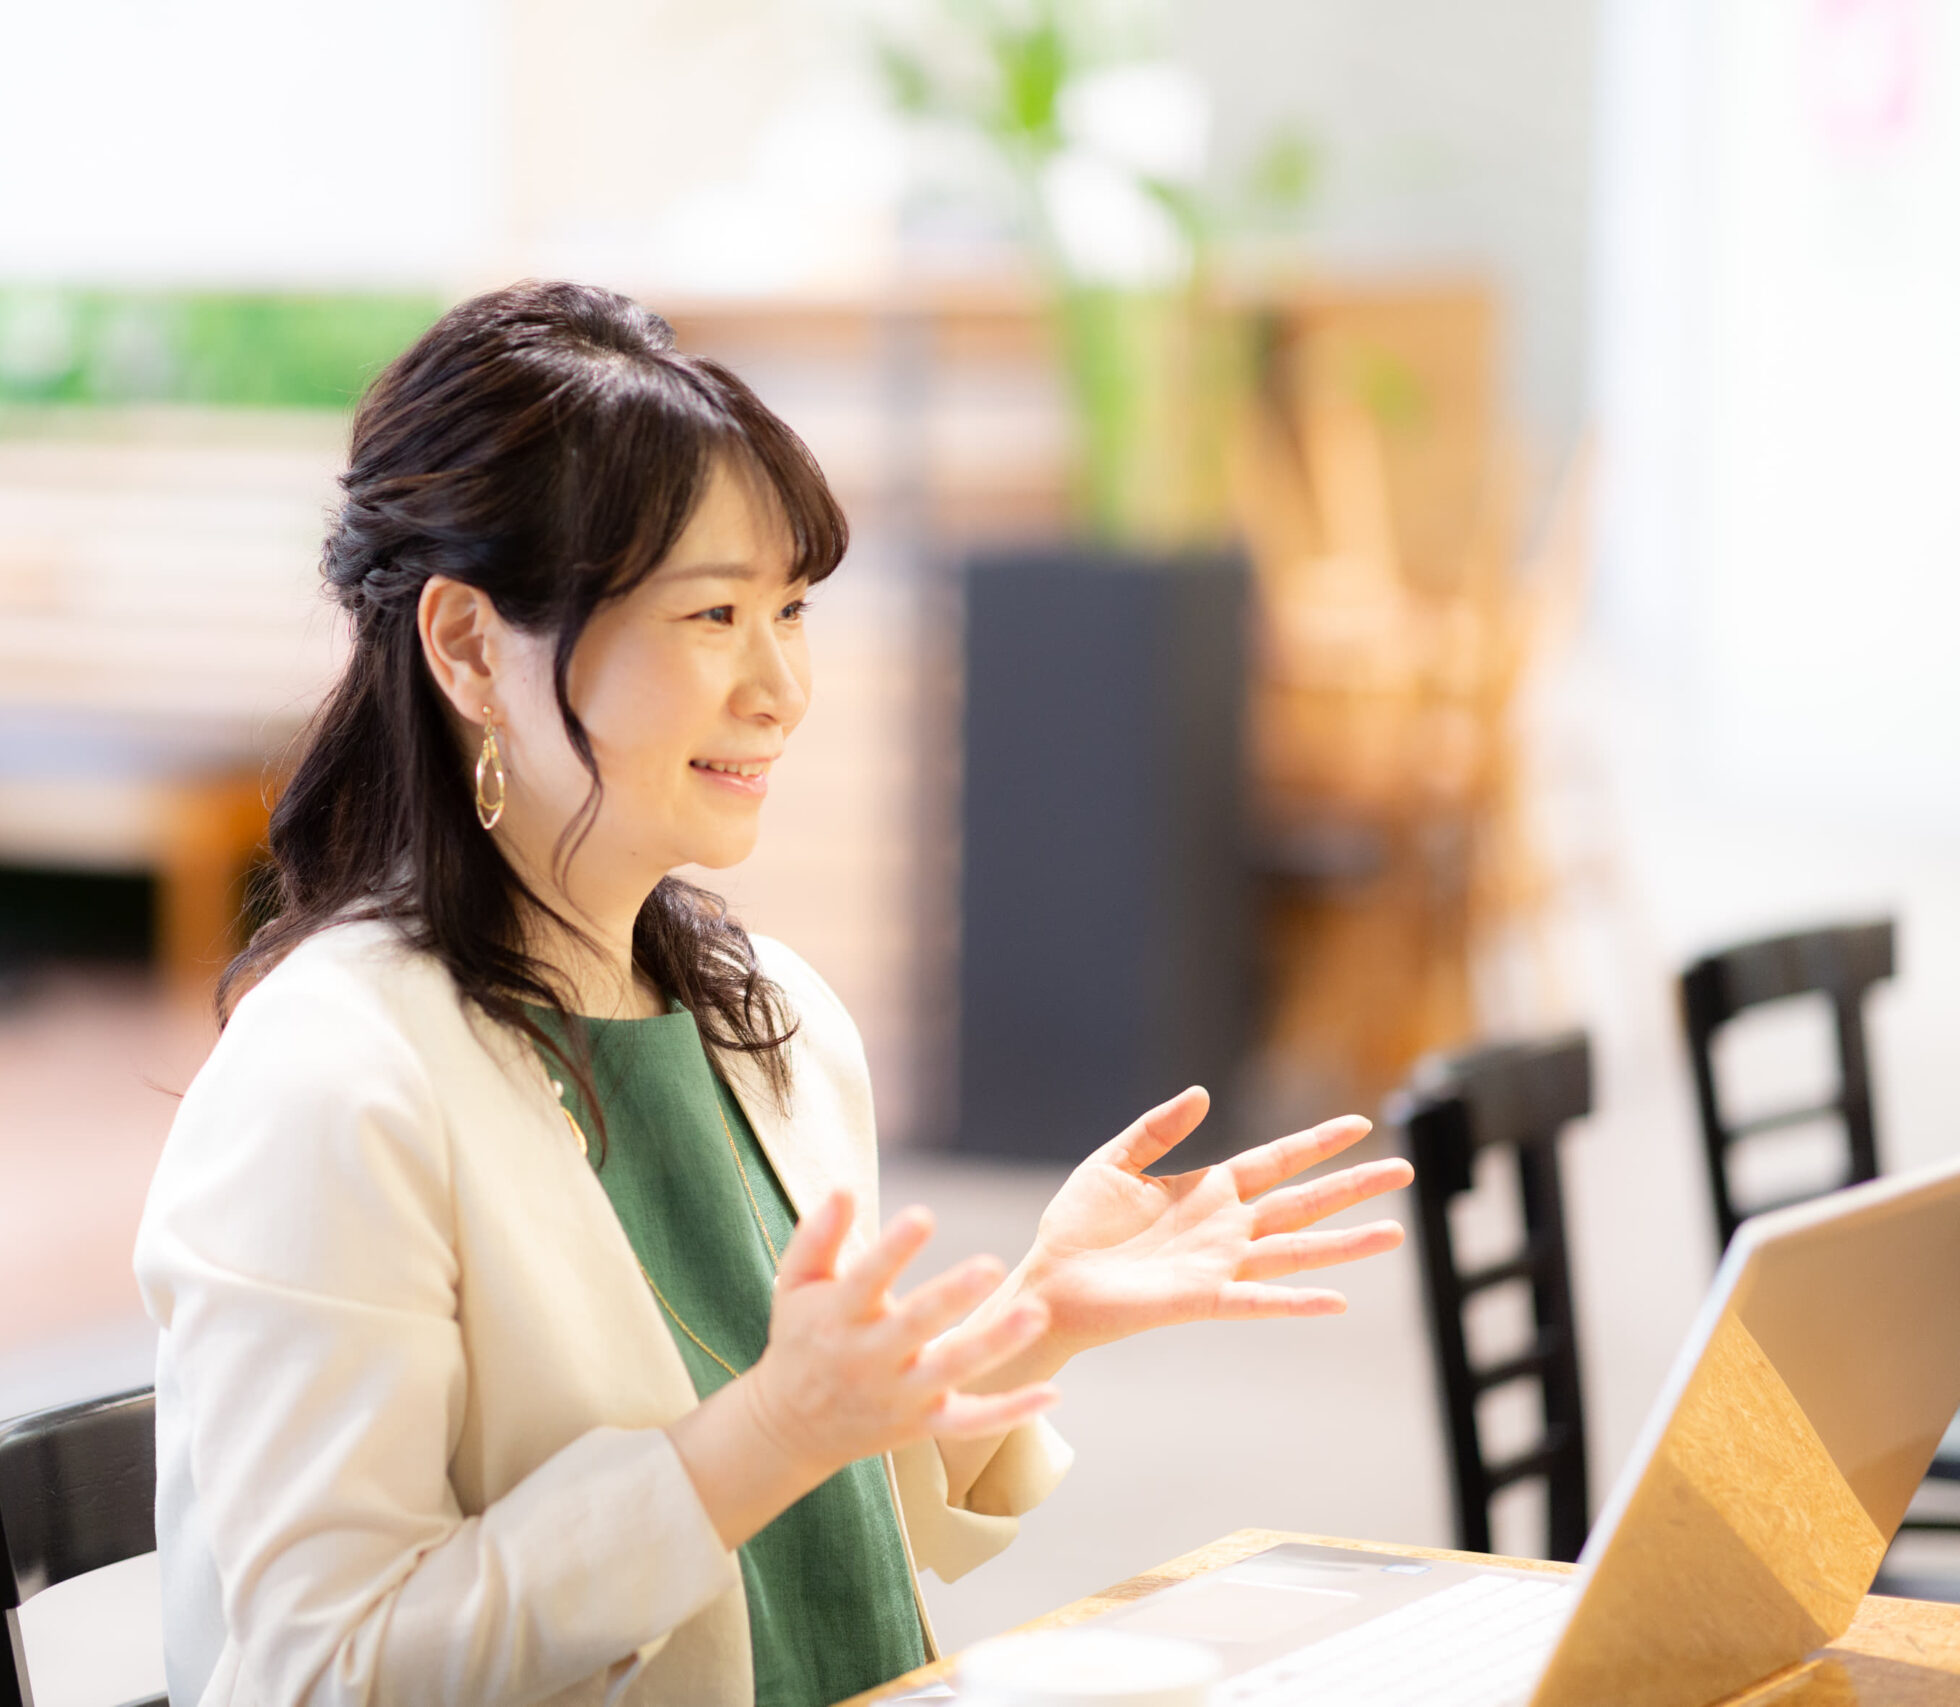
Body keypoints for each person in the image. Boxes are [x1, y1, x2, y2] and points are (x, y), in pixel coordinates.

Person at [133, 280, 1413, 1707]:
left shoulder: (772, 1019)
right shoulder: (331, 1082)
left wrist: (1035, 1312)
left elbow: (831, 1525)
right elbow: (333, 1671)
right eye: (714, 614)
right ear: (469, 647)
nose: (780, 687)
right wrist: (768, 1436)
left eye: (790, 609)